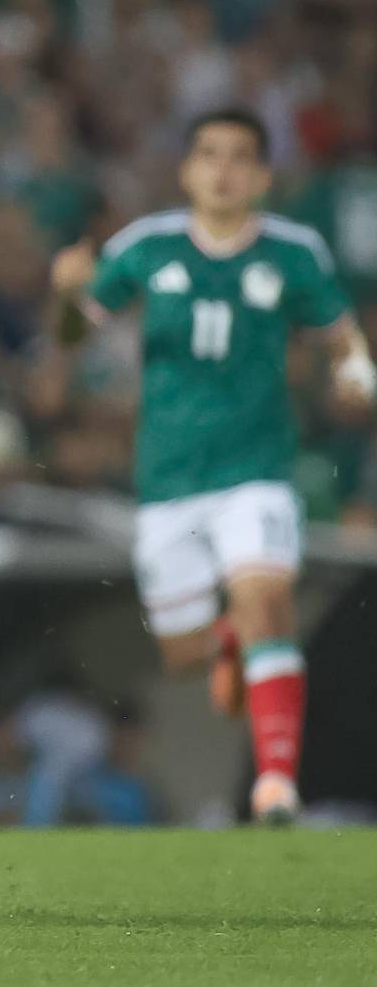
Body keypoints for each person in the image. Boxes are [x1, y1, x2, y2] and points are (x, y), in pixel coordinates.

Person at [50, 107, 374, 823]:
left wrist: (357, 372)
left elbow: (339, 331)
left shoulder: (293, 252)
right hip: (168, 480)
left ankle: (276, 783)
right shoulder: (146, 246)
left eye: (239, 157)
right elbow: (73, 335)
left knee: (268, 603)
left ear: (261, 176)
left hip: (256, 471)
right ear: (187, 170)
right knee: (183, 656)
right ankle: (225, 639)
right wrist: (69, 293)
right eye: (209, 154)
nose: (223, 170)